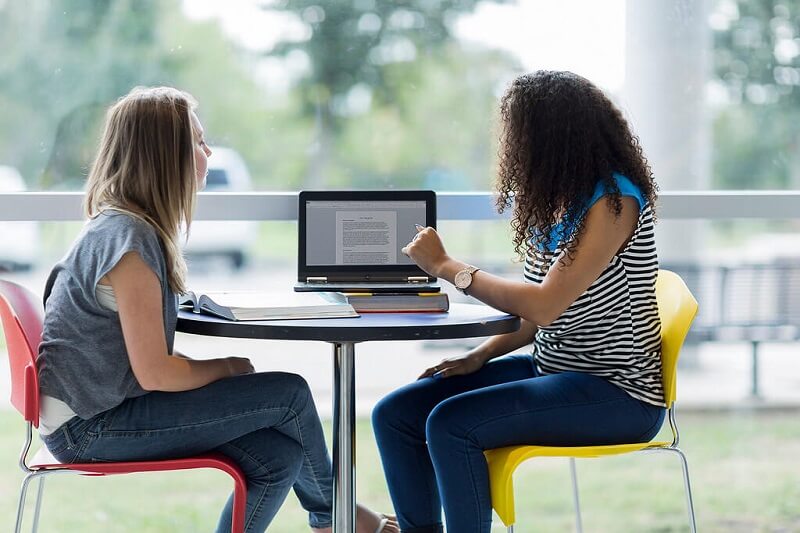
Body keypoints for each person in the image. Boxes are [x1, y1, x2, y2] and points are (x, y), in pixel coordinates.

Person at [37, 86, 397, 533]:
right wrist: (224, 367)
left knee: (277, 456)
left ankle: (334, 515)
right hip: (90, 428)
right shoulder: (128, 242)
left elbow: (139, 361)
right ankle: (336, 519)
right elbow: (157, 374)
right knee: (290, 394)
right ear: (167, 156)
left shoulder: (122, 228)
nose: (208, 152)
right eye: (199, 142)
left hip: (93, 413)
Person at [371, 70, 666, 533]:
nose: (510, 143)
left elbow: (546, 305)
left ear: (551, 134)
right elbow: (533, 318)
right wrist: (480, 356)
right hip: (554, 371)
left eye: (517, 130)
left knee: (452, 423)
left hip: (617, 392)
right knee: (395, 414)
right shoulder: (554, 201)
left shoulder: (614, 201)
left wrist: (449, 267)